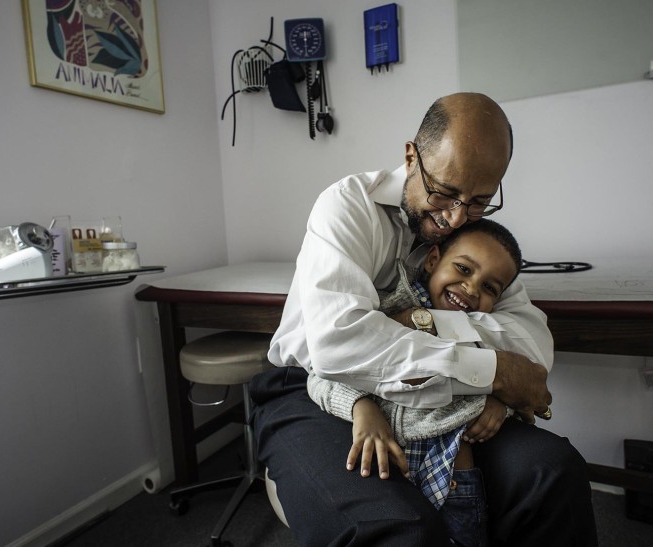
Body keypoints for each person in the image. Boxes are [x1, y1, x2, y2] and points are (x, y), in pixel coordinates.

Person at [249, 92, 597, 546]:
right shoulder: (349, 207)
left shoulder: (473, 235)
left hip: (436, 401)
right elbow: (339, 344)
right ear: (411, 156)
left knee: (552, 470)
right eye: (444, 193)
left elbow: (530, 342)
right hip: (312, 386)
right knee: (398, 528)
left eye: (478, 202)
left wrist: (421, 321)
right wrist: (491, 371)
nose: (455, 218)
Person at [308, 219, 539, 547]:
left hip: (457, 483)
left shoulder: (482, 332)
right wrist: (362, 407)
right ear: (433, 260)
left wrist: (501, 405)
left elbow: (519, 387)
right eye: (463, 268)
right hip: (387, 474)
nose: (472, 289)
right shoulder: (387, 312)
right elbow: (322, 375)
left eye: (490, 288)